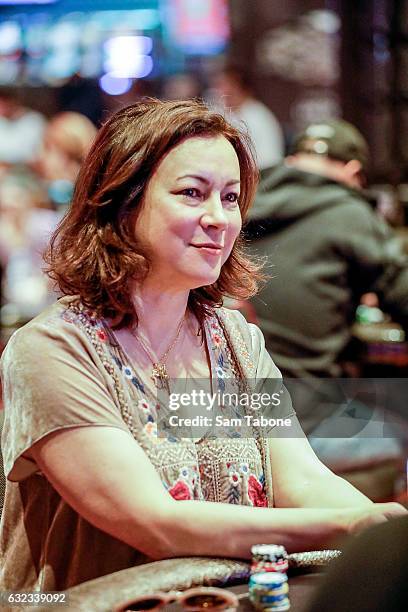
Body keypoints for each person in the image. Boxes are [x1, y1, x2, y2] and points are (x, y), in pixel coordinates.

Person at [0, 100, 405, 592]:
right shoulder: (52, 349)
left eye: (231, 198)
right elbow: (153, 523)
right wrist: (350, 528)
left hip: (230, 597)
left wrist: (385, 533)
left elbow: (300, 480)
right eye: (192, 193)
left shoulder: (238, 338)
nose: (219, 218)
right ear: (122, 202)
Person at [245, 119, 408, 381]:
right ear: (354, 173)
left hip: (228, 397)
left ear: (291, 162)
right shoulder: (350, 211)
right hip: (308, 401)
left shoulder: (239, 204)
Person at [210, 66, 284, 169]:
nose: (221, 91)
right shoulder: (224, 113)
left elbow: (268, 162)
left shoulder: (258, 116)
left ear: (242, 89)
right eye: (219, 86)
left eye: (227, 86)